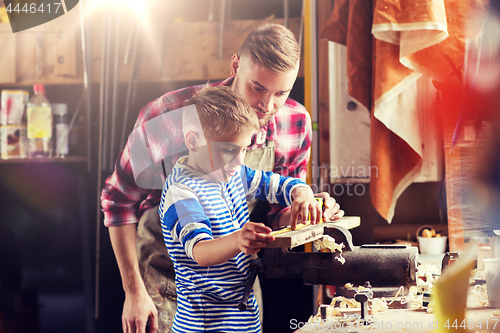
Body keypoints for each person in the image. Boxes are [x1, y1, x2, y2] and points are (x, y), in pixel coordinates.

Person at [101, 23, 344, 333]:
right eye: (257, 87)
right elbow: (118, 201)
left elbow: (278, 214)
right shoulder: (170, 116)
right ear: (235, 66)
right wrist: (134, 292)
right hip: (170, 285)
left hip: (238, 289)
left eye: (281, 93)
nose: (266, 106)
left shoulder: (294, 122)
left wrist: (308, 210)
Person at [159, 86, 322, 332]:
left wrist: (302, 193)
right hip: (207, 324)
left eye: (244, 149)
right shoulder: (181, 192)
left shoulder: (234, 173)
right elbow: (200, 252)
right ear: (193, 141)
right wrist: (238, 240)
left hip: (242, 316)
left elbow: (275, 185)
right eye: (228, 150)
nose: (240, 161)